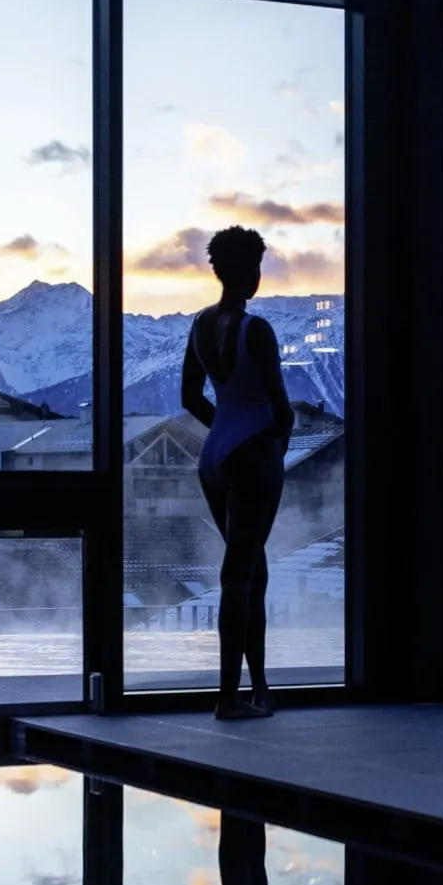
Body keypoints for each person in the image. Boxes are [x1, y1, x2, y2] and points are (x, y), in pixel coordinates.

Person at [178, 225, 294, 720]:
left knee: (250, 570)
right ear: (249, 273)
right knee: (241, 574)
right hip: (253, 457)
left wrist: (223, 434)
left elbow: (190, 397)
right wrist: (271, 448)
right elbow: (280, 407)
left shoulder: (200, 325)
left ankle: (258, 689)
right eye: (258, 268)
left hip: (215, 458)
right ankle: (231, 697)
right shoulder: (257, 331)